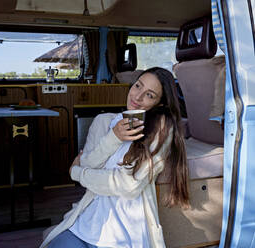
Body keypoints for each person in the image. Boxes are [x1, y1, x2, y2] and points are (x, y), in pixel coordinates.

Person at [40, 67, 189, 248]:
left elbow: (129, 186)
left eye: (149, 95)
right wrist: (114, 137)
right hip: (88, 221)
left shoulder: (161, 129)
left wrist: (77, 173)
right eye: (137, 86)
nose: (138, 97)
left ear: (159, 104)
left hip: (125, 234)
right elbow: (88, 163)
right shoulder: (103, 121)